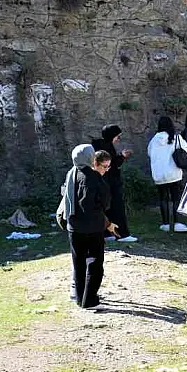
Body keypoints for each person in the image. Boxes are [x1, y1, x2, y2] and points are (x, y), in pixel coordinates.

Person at [66, 149, 118, 309]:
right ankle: (89, 301)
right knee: (95, 264)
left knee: (79, 263)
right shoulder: (93, 177)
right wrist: (107, 223)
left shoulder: (72, 173)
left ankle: (80, 297)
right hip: (92, 227)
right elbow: (103, 202)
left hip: (74, 226)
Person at [91, 124, 137, 243]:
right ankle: (122, 234)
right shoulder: (105, 148)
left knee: (106, 209)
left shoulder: (100, 146)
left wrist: (121, 157)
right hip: (110, 183)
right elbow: (112, 165)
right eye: (117, 136)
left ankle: (107, 233)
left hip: (103, 183)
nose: (118, 139)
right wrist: (121, 156)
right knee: (117, 208)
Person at [148, 116, 187, 233]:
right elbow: (185, 151)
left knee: (163, 198)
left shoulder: (153, 140)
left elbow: (150, 154)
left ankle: (165, 224)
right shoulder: (176, 138)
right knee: (176, 198)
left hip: (159, 175)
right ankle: (177, 223)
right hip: (174, 173)